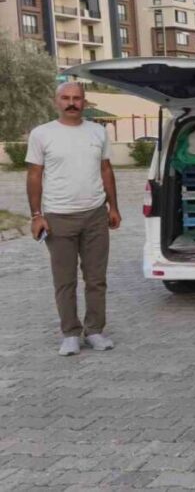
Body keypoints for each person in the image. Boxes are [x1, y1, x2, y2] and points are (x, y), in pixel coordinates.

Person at [26, 82, 122, 356]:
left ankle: (95, 331)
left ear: (84, 102)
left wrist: (113, 207)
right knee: (64, 280)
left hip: (95, 215)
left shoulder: (98, 132)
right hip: (58, 217)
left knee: (96, 278)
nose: (71, 103)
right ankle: (70, 333)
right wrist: (36, 215)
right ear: (56, 101)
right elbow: (34, 175)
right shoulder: (42, 134)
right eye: (66, 98)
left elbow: (106, 170)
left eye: (77, 98)